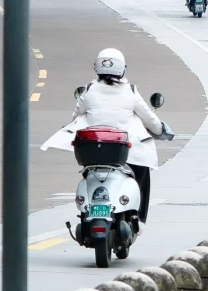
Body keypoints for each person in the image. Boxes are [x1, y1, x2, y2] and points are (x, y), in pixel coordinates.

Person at [59, 48, 171, 222]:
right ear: (122, 68)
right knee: (142, 174)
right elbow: (150, 119)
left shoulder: (89, 90)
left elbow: (75, 118)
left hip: (92, 153)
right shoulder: (130, 91)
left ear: (97, 67)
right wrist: (160, 130)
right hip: (123, 152)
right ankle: (139, 219)